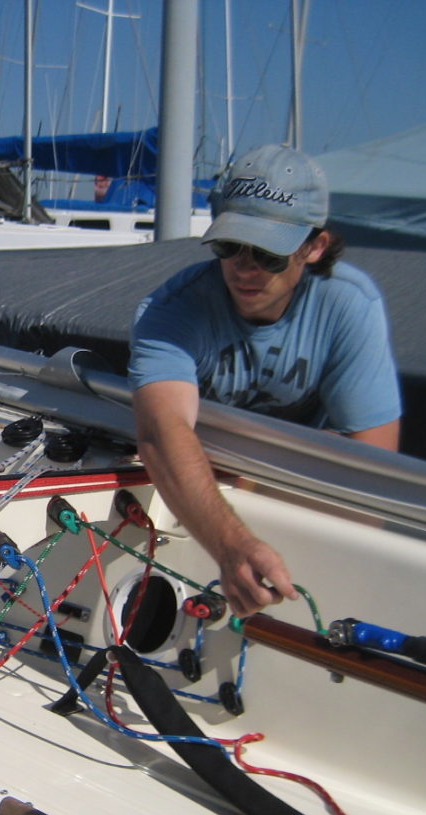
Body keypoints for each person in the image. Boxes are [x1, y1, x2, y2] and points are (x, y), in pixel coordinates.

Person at [128, 145, 401, 618]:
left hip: (267, 497)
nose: (244, 267)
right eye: (230, 246)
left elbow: (372, 469)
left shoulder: (350, 306)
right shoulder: (171, 310)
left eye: (268, 253)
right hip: (207, 503)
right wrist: (233, 545)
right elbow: (162, 433)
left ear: (314, 247)